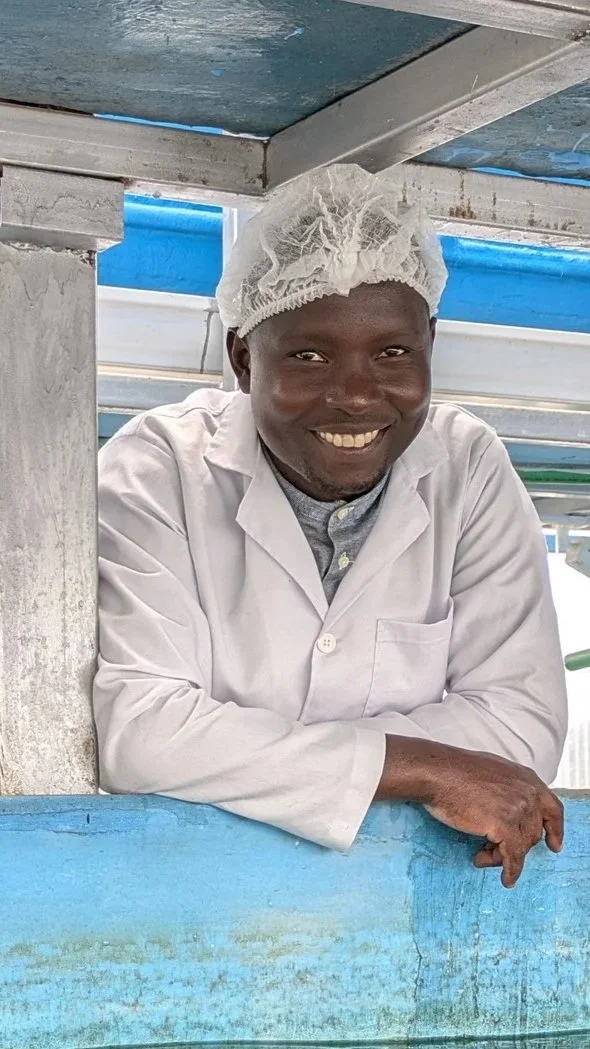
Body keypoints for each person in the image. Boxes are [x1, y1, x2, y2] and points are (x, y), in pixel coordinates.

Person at [94, 163, 567, 888]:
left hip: (394, 917)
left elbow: (521, 727)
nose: (354, 395)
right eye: (310, 356)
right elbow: (143, 733)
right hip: (190, 899)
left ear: (430, 345)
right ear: (245, 358)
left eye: (393, 353)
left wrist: (247, 750)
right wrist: (430, 768)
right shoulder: (158, 466)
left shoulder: (467, 467)